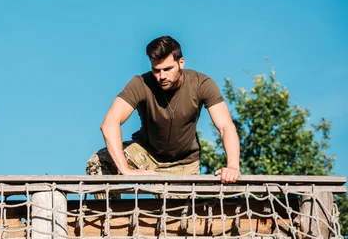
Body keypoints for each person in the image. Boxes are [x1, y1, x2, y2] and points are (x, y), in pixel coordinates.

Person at [86, 35, 240, 184]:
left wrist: (232, 166)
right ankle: (113, 210)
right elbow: (109, 124)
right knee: (99, 163)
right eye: (156, 70)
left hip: (184, 163)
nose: (162, 76)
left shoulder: (201, 84)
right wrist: (126, 170)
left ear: (181, 62)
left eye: (167, 69)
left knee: (177, 210)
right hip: (147, 153)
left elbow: (225, 126)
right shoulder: (141, 84)